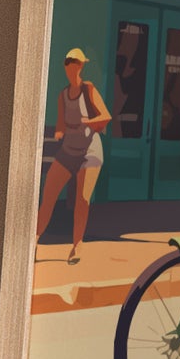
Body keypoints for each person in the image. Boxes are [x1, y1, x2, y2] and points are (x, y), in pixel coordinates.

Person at [35, 46, 110, 266]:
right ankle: (34, 242)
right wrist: (59, 132)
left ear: (81, 66)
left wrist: (89, 122)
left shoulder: (89, 89)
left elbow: (105, 116)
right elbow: (60, 123)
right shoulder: (63, 95)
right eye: (69, 63)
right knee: (48, 196)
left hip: (90, 152)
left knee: (82, 199)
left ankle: (77, 245)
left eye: (76, 63)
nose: (72, 67)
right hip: (68, 150)